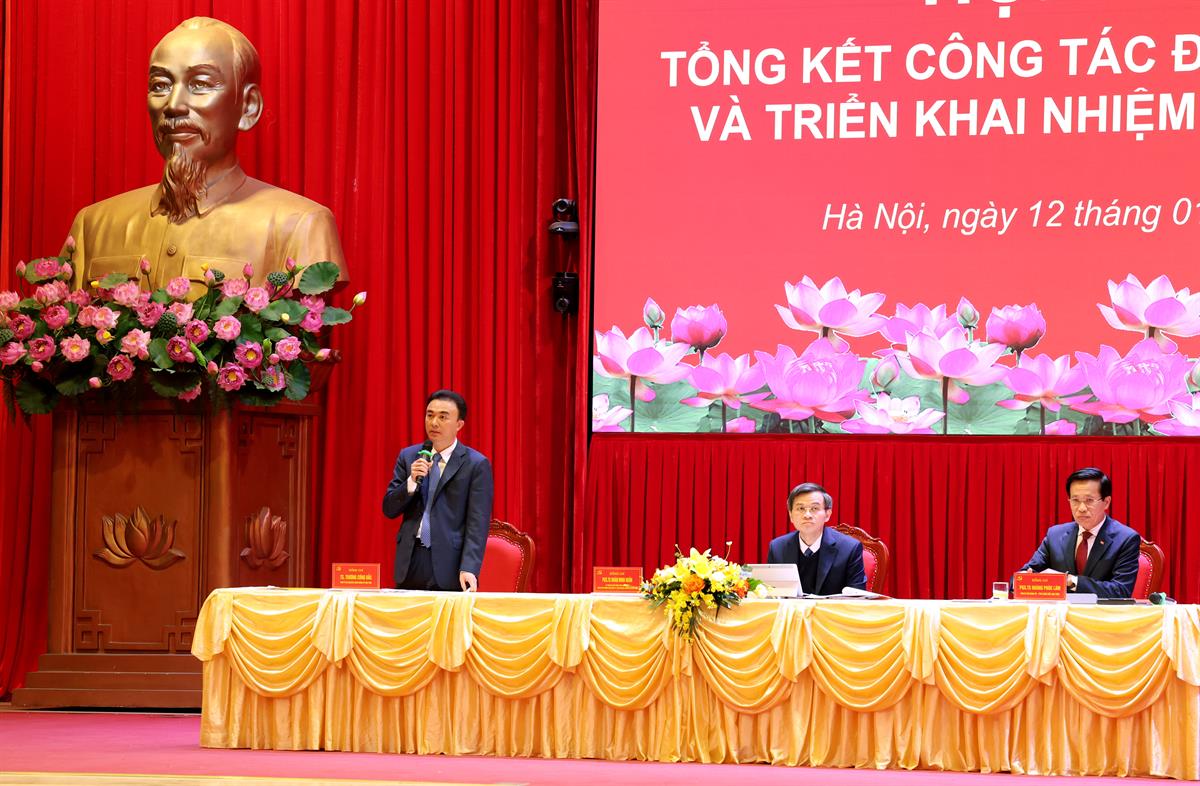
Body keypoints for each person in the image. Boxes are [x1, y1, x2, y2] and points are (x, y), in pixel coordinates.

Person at [63, 17, 345, 299]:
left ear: (248, 107)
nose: (174, 105)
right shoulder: (92, 226)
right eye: (160, 85)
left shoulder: (301, 227)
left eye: (200, 84)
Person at [382, 390, 493, 591]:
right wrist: (411, 482)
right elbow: (389, 509)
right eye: (430, 415)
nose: (434, 423)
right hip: (411, 560)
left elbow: (478, 522)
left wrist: (469, 567)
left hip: (450, 564)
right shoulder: (409, 456)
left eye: (443, 417)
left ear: (459, 424)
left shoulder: (475, 464)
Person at [1016, 467, 1140, 598]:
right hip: (1059, 610)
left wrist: (1071, 581)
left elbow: (1121, 591)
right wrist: (1024, 579)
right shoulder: (1055, 535)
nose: (1081, 508)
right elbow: (1021, 577)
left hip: (1101, 610)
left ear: (1106, 502)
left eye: (1089, 500)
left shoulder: (1125, 539)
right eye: (1075, 500)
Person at [766, 482, 866, 596]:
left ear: (827, 514)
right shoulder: (777, 547)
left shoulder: (849, 548)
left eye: (814, 508)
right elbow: (771, 594)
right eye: (801, 508)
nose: (807, 515)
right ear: (791, 515)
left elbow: (857, 598)